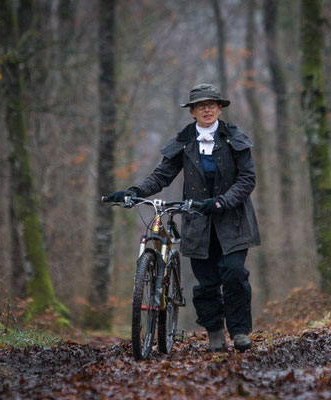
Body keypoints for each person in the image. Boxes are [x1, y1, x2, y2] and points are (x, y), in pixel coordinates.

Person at [105, 83, 260, 352]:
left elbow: (247, 179)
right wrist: (135, 191)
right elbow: (162, 175)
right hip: (197, 222)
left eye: (211, 104)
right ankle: (214, 332)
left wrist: (223, 201)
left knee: (234, 274)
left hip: (232, 221)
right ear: (192, 112)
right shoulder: (185, 141)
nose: (207, 109)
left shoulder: (235, 138)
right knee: (207, 281)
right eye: (201, 105)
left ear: (220, 108)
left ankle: (239, 332)